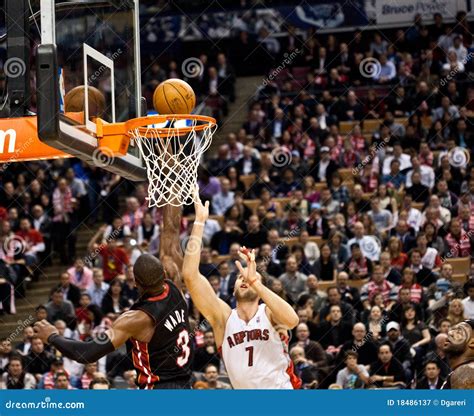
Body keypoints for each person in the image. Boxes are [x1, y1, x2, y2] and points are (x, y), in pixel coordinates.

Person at [34, 205, 194, 389]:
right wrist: (172, 198)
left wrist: (53, 337)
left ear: (135, 283)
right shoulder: (174, 285)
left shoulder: (136, 319)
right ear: (164, 273)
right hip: (186, 387)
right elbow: (172, 232)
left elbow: (87, 353)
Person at [182, 192, 301, 389]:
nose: (245, 279)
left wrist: (256, 283)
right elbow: (190, 276)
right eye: (240, 277)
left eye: (250, 277)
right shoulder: (224, 318)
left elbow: (292, 320)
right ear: (233, 287)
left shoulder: (269, 312)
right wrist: (199, 223)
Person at [441, 320, 474, 389]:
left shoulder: (466, 372)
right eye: (453, 330)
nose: (450, 333)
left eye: (459, 332)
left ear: (472, 343)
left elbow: (465, 400)